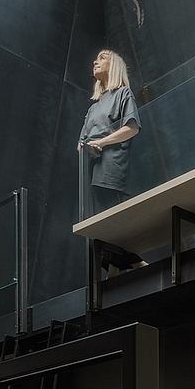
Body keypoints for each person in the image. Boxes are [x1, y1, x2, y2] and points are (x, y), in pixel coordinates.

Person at [78, 49, 143, 270]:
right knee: (98, 222)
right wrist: (84, 147)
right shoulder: (93, 107)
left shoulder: (123, 94)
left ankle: (131, 261)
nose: (95, 61)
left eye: (102, 58)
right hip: (90, 168)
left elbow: (132, 128)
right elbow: (81, 142)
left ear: (114, 65)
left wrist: (103, 142)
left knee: (111, 217)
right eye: (95, 59)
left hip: (111, 165)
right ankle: (119, 265)